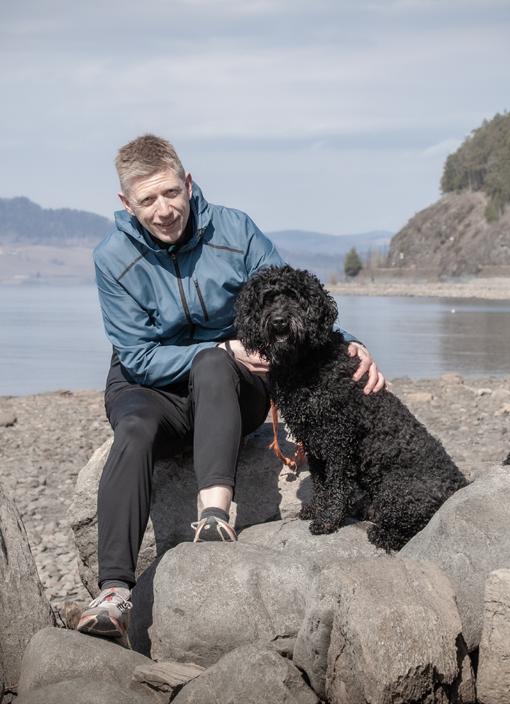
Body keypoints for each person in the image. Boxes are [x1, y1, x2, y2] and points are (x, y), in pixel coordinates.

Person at [77, 134, 386, 638]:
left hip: (232, 386)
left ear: (188, 183)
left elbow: (290, 301)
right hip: (149, 386)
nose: (163, 210)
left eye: (171, 193)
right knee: (133, 430)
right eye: (148, 200)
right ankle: (114, 591)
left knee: (213, 364)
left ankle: (214, 517)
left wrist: (348, 344)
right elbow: (138, 357)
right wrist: (221, 346)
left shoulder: (235, 229)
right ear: (126, 204)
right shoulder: (112, 258)